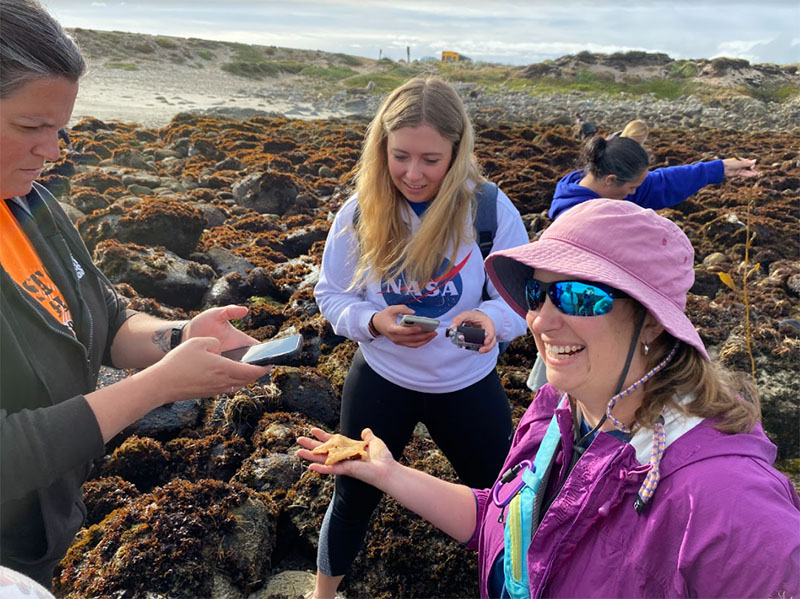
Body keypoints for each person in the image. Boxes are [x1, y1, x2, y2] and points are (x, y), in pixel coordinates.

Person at [299, 199, 800, 598]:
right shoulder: (556, 411)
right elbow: (501, 524)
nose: (541, 319)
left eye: (579, 296)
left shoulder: (729, 504)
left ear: (651, 318)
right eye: (537, 294)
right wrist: (388, 474)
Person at [0, 0, 270, 588]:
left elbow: (106, 319)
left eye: (60, 129)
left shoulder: (30, 205)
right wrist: (159, 387)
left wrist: (182, 337)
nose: (53, 152)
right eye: (30, 128)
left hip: (51, 533)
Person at [311, 75, 529, 599]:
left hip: (467, 386)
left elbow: (521, 303)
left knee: (503, 508)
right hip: (382, 380)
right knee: (352, 495)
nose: (413, 174)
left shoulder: (490, 212)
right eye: (400, 155)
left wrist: (488, 325)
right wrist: (374, 323)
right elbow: (332, 294)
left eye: (431, 160)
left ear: (458, 150)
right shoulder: (360, 211)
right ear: (381, 146)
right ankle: (320, 596)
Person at [548, 134, 759, 220]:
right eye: (632, 188)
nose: (635, 192)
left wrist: (720, 168)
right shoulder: (575, 216)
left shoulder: (605, 187)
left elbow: (663, 182)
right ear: (611, 179)